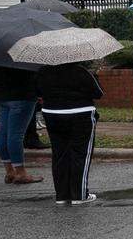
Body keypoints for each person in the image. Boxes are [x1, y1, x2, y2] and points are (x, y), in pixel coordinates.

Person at [36, 61, 103, 205]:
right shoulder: (81, 71)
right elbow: (98, 93)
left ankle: (62, 195)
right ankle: (79, 195)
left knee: (59, 153)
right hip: (80, 113)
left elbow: (37, 91)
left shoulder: (43, 72)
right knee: (80, 153)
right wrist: (95, 76)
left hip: (52, 113)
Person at [0, 66, 43, 184]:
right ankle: (21, 172)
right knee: (16, 136)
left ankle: (9, 171)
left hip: (2, 95)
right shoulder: (22, 54)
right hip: (22, 95)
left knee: (4, 134)